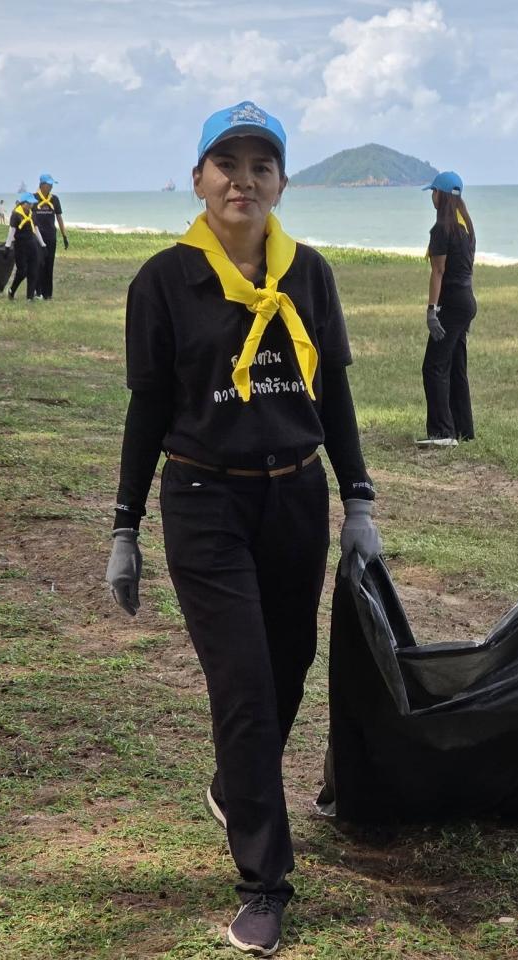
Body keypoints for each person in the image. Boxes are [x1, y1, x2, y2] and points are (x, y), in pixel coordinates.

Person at [103, 100, 381, 957]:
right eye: (227, 164)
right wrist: (124, 526)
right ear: (199, 178)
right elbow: (149, 406)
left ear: (281, 183)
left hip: (294, 497)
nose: (243, 179)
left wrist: (359, 498)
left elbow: (330, 392)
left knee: (290, 664)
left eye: (261, 165)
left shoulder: (311, 275)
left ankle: (236, 781)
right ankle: (265, 882)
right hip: (204, 499)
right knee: (246, 688)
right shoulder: (163, 281)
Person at [418, 170, 476, 447]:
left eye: (433, 192)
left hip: (451, 305)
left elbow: (438, 271)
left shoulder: (442, 229)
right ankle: (463, 429)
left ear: (440, 195)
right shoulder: (466, 228)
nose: (432, 196)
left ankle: (442, 432)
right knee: (456, 366)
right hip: (466, 301)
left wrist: (432, 311)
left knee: (434, 367)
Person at [31, 174, 69, 300]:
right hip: (37, 237)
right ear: (42, 185)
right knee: (38, 264)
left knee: (49, 264)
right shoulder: (33, 198)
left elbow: (59, 217)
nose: (51, 187)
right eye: (49, 184)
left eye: (52, 184)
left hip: (51, 236)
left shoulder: (54, 199)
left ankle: (48, 294)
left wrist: (64, 235)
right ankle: (38, 292)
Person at [4, 191, 47, 300]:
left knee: (33, 271)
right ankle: (11, 290)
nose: (32, 205)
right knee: (22, 271)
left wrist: (43, 244)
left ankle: (30, 297)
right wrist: (7, 246)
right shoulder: (16, 214)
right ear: (24, 203)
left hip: (32, 244)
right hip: (20, 246)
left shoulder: (32, 213)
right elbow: (12, 231)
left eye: (32, 203)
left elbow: (36, 229)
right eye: (30, 203)